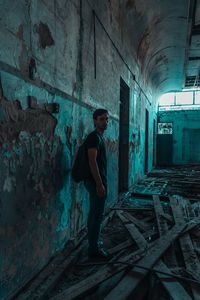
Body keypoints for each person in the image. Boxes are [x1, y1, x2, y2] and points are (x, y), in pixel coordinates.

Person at [84, 108, 109, 259]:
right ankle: (93, 250)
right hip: (95, 183)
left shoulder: (99, 137)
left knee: (94, 214)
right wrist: (99, 184)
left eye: (106, 119)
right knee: (96, 216)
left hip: (96, 182)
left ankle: (92, 243)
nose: (105, 122)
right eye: (101, 119)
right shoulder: (94, 138)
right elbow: (92, 161)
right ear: (95, 121)